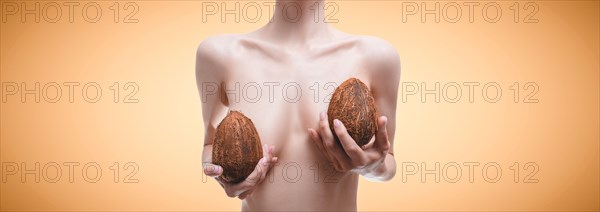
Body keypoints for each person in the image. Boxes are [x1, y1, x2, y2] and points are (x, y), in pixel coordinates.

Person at [196, 0, 400, 210]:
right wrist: (219, 173)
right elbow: (209, 146)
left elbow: (388, 162)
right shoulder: (219, 55)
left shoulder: (375, 56)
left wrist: (373, 167)